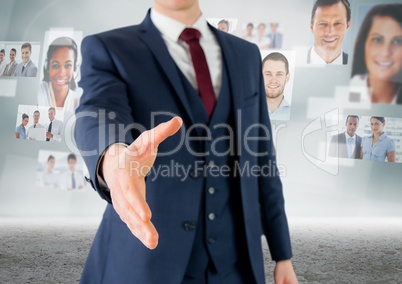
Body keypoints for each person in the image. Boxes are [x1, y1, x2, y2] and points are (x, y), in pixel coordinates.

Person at [75, 1, 297, 283]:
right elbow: (96, 112)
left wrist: (282, 255)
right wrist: (112, 155)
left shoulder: (247, 55)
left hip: (236, 267)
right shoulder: (108, 48)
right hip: (147, 263)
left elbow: (263, 159)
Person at [350, 4, 402, 104]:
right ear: (363, 44)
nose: (385, 52)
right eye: (377, 40)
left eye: (398, 42)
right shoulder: (348, 88)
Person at [38, 37, 82, 111]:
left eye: (68, 65)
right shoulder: (37, 92)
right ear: (47, 67)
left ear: (74, 67)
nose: (61, 73)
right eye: (56, 66)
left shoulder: (80, 99)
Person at [308, 0, 351, 64]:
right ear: (312, 27)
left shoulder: (359, 68)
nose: (330, 32)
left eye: (337, 23)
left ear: (347, 26)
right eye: (322, 23)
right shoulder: (293, 62)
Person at [262, 52, 291, 120]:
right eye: (268, 74)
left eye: (279, 74)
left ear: (287, 78)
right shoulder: (244, 111)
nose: (273, 80)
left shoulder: (296, 115)